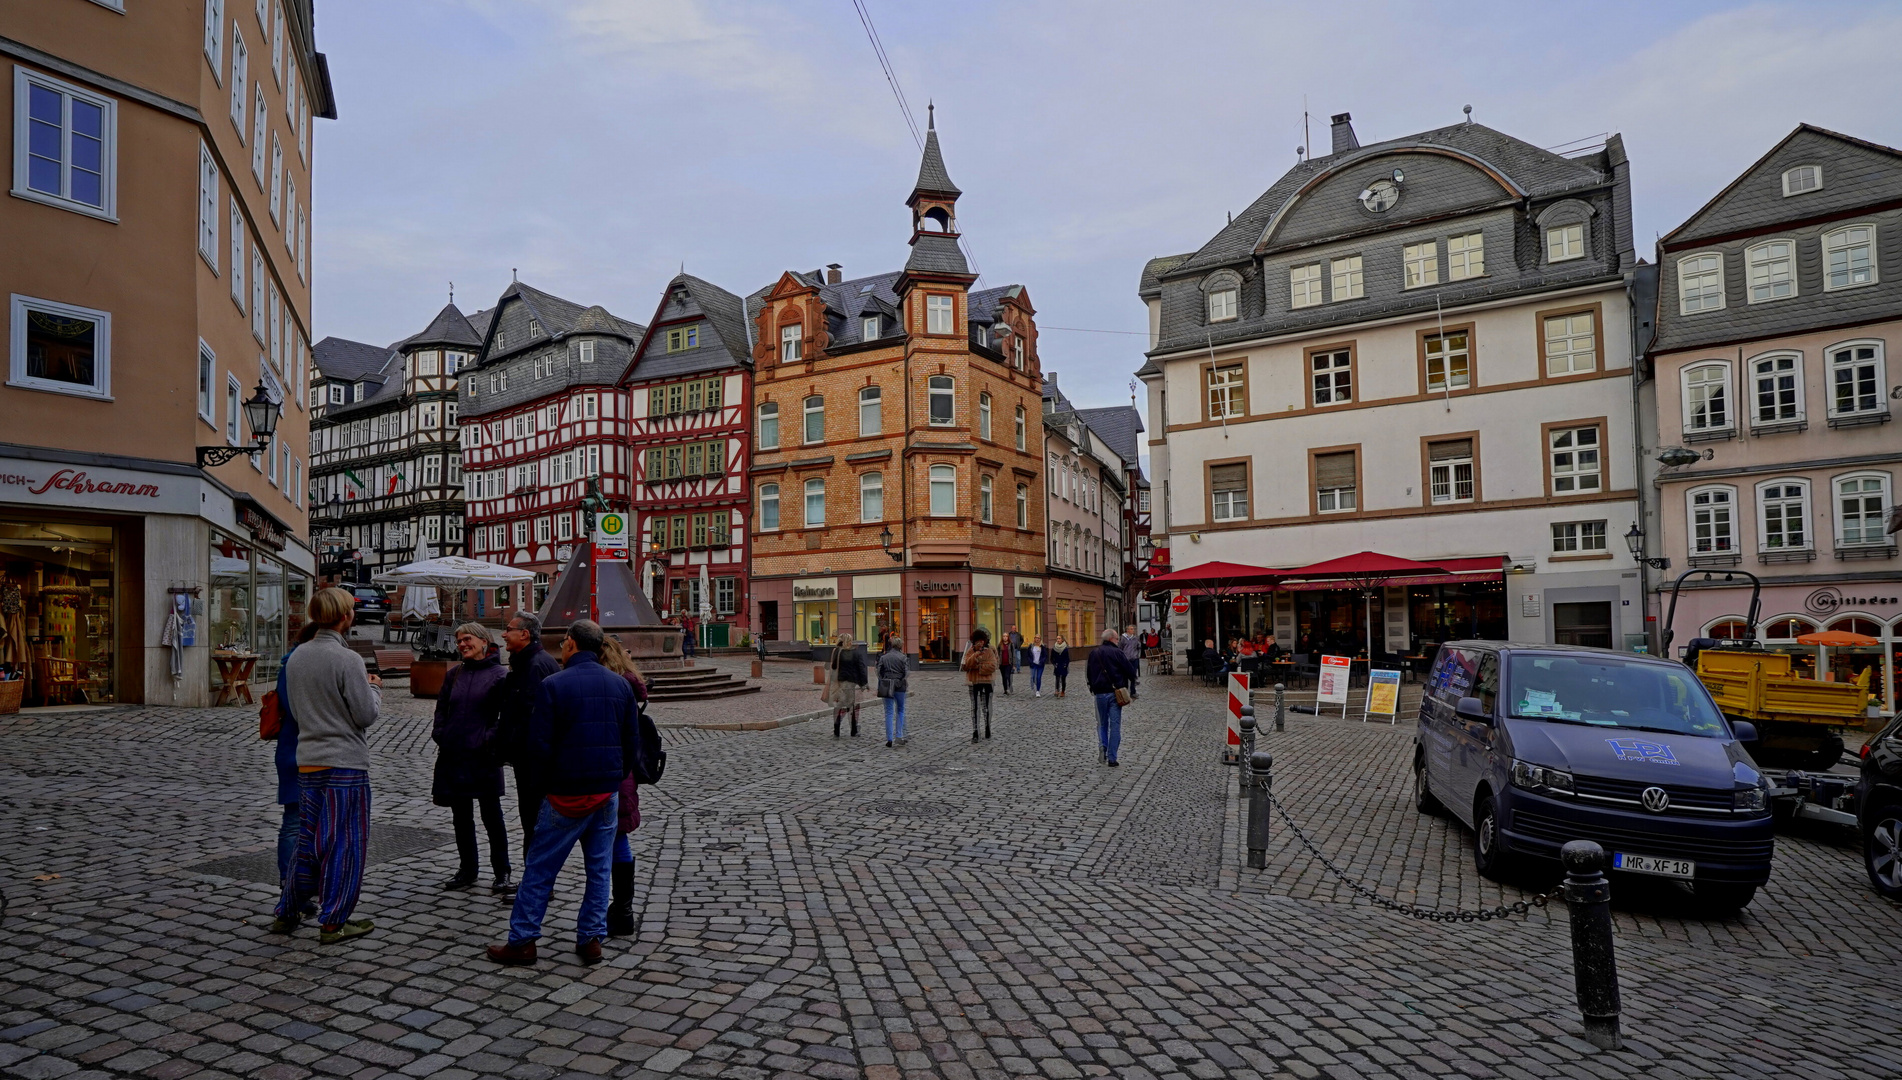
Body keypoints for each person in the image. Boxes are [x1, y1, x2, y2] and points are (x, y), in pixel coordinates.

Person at [488, 619, 641, 967]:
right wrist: (613, 776)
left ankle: (523, 940)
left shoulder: (553, 685)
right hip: (605, 792)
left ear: (570, 643)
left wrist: (544, 788)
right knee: (599, 869)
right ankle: (591, 940)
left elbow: (539, 745)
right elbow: (632, 743)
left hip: (564, 793)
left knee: (540, 869)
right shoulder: (620, 685)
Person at [271, 586, 382, 944]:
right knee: (344, 844)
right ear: (345, 616)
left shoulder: (298, 656)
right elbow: (365, 714)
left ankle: (287, 910)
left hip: (308, 760)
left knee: (307, 841)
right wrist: (375, 688)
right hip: (344, 763)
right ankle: (333, 920)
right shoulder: (347, 659)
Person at [432, 623, 511, 893]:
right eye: (458, 641)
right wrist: (441, 733)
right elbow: (442, 708)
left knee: (492, 817)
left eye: (466, 639)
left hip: (484, 757)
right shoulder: (454, 675)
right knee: (461, 817)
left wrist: (488, 738)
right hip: (454, 755)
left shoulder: (501, 675)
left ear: (483, 640)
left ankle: (502, 872)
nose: (462, 644)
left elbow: (505, 717)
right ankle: (468, 869)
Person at [497, 613, 560, 890]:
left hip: (533, 761)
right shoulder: (530, 662)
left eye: (508, 629)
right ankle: (535, 882)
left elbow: (534, 718)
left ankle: (536, 885)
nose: (503, 634)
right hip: (531, 759)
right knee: (533, 821)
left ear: (525, 634)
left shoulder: (535, 666)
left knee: (534, 822)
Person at [596, 635, 648, 938]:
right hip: (625, 772)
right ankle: (623, 910)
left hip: (607, 769)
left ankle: (610, 910)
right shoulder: (630, 680)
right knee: (618, 837)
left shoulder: (611, 683)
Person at [269, 620, 322, 902]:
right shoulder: (295, 664)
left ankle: (298, 881)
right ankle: (291, 881)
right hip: (299, 749)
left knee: (297, 820)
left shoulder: (290, 663)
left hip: (293, 747)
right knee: (294, 820)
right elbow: (296, 707)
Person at [1088, 628, 1138, 766]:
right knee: (1115, 725)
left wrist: (1093, 687)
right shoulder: (1117, 653)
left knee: (1102, 723)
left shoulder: (1094, 653)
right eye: (1117, 639)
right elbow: (1130, 671)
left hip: (1099, 693)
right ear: (1111, 639)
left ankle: (1103, 745)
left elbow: (1089, 673)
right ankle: (1112, 758)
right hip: (1115, 694)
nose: (1118, 642)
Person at [826, 633, 866, 737]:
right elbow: (861, 668)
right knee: (851, 706)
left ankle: (836, 729)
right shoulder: (855, 653)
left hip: (839, 682)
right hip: (851, 683)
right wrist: (863, 683)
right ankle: (853, 730)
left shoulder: (837, 652)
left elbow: (833, 666)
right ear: (849, 641)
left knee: (838, 706)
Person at [960, 628, 997, 741]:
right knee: (975, 707)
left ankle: (987, 727)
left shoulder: (990, 651)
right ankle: (975, 731)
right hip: (974, 682)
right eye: (978, 641)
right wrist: (975, 655)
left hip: (987, 682)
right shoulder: (970, 651)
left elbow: (993, 666)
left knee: (986, 707)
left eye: (982, 641)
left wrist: (979, 667)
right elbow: (965, 665)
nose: (980, 643)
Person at [876, 635, 909, 748]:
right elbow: (906, 673)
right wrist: (900, 680)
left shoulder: (884, 657)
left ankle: (889, 738)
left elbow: (878, 672)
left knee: (889, 712)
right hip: (899, 686)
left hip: (887, 685)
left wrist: (883, 680)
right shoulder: (903, 657)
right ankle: (899, 735)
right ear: (900, 646)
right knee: (900, 710)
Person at [1121, 625, 1142, 701]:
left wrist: (1137, 655)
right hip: (1126, 660)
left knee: (1133, 676)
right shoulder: (1123, 638)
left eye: (1133, 629)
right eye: (1131, 629)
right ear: (1127, 630)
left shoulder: (1135, 638)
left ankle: (1133, 691)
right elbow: (1120, 648)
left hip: (1134, 659)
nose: (1133, 630)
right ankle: (1125, 692)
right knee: (1125, 676)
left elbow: (1139, 647)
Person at [999, 625, 1019, 695]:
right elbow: (998, 654)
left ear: (1008, 637)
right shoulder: (1000, 645)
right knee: (1004, 677)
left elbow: (1013, 655)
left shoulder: (1011, 644)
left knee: (1007, 676)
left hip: (1008, 663)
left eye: (1006, 636)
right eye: (1004, 636)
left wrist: (1014, 664)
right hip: (1002, 664)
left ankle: (1009, 685)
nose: (1005, 637)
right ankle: (1005, 689)